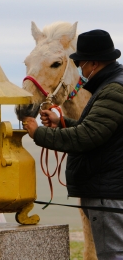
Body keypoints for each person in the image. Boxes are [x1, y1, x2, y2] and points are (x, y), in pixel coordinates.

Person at [23, 29, 123, 259]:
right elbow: (98, 128)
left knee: (114, 254)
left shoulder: (113, 91)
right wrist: (63, 123)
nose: (80, 71)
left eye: (81, 65)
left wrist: (39, 134)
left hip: (108, 191)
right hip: (108, 189)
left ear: (93, 63)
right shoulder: (109, 87)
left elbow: (86, 136)